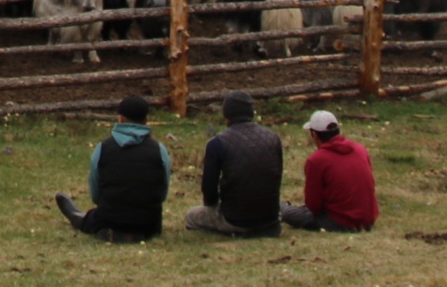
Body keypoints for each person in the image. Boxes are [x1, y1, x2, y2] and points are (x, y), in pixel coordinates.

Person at [54, 94, 171, 242]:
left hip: (109, 221)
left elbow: (96, 194)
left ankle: (80, 219)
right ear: (146, 121)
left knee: (94, 218)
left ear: (120, 119)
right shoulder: (159, 150)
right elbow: (163, 192)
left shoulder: (102, 148)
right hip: (148, 225)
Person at [183, 90, 283, 236]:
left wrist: (213, 206)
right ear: (252, 112)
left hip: (235, 219)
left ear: (226, 113)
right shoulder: (273, 138)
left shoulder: (217, 143)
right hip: (271, 219)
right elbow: (276, 176)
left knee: (191, 216)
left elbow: (209, 188)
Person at [281, 110, 377, 232]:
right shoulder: (360, 149)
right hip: (367, 219)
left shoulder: (316, 160)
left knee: (288, 213)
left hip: (340, 222)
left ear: (315, 135)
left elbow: (314, 206)